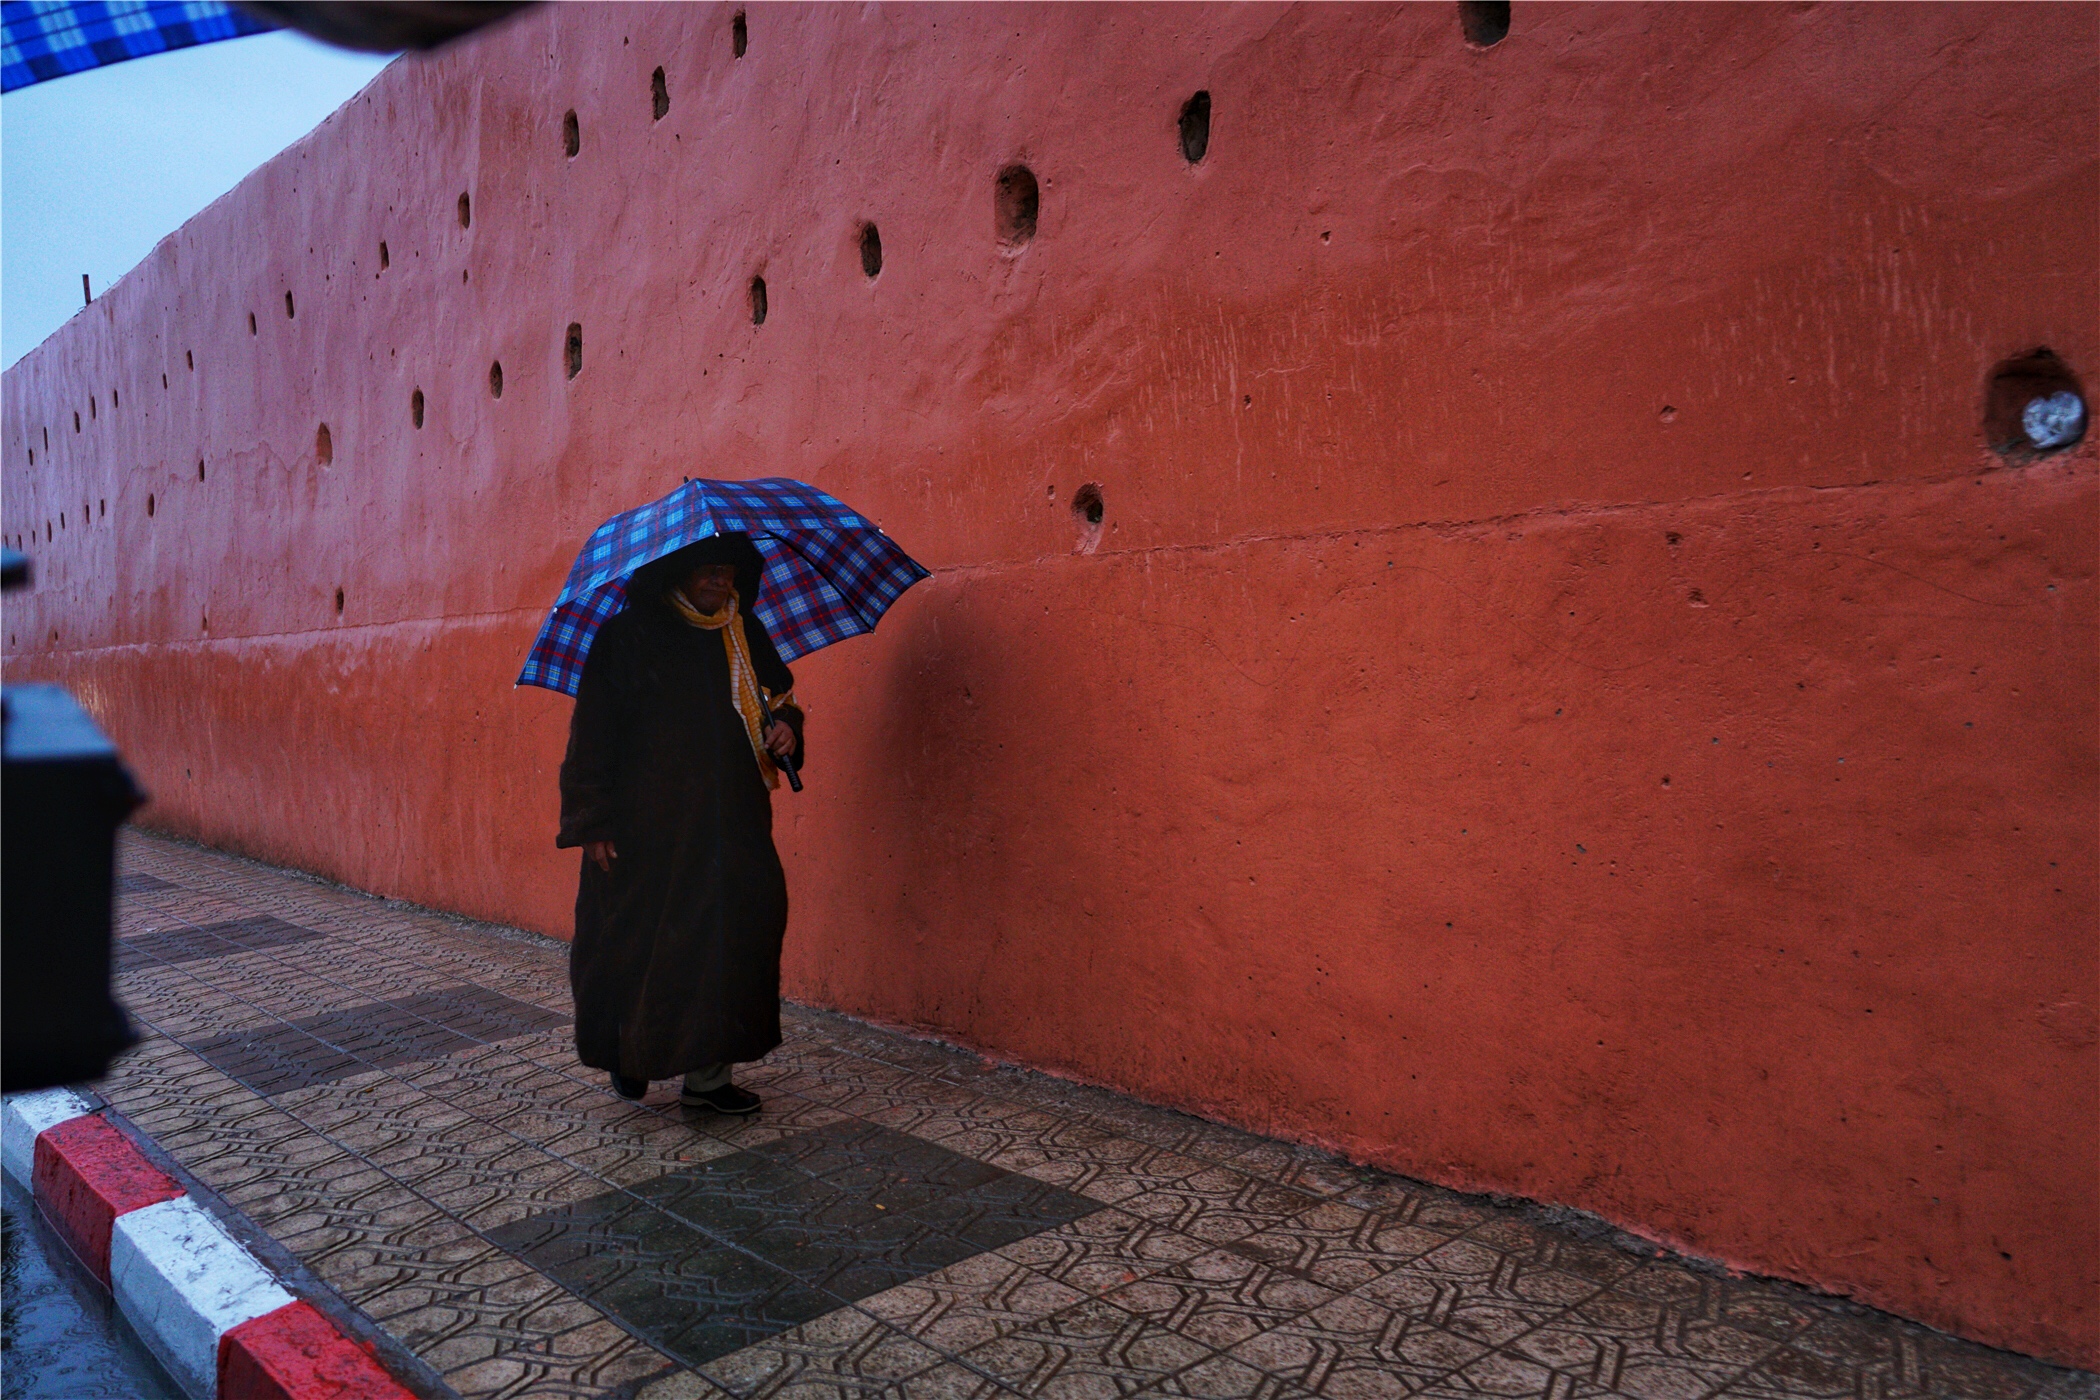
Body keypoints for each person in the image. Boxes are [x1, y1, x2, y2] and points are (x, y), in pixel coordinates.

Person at [556, 533, 804, 1113]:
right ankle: (628, 1051)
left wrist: (789, 726)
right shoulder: (627, 638)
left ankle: (708, 1079)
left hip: (731, 824)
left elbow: (779, 697)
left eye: (727, 573)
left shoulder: (745, 635)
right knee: (639, 947)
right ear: (675, 576)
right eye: (707, 573)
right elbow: (591, 736)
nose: (720, 583)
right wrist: (593, 821)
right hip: (646, 833)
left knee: (732, 940)